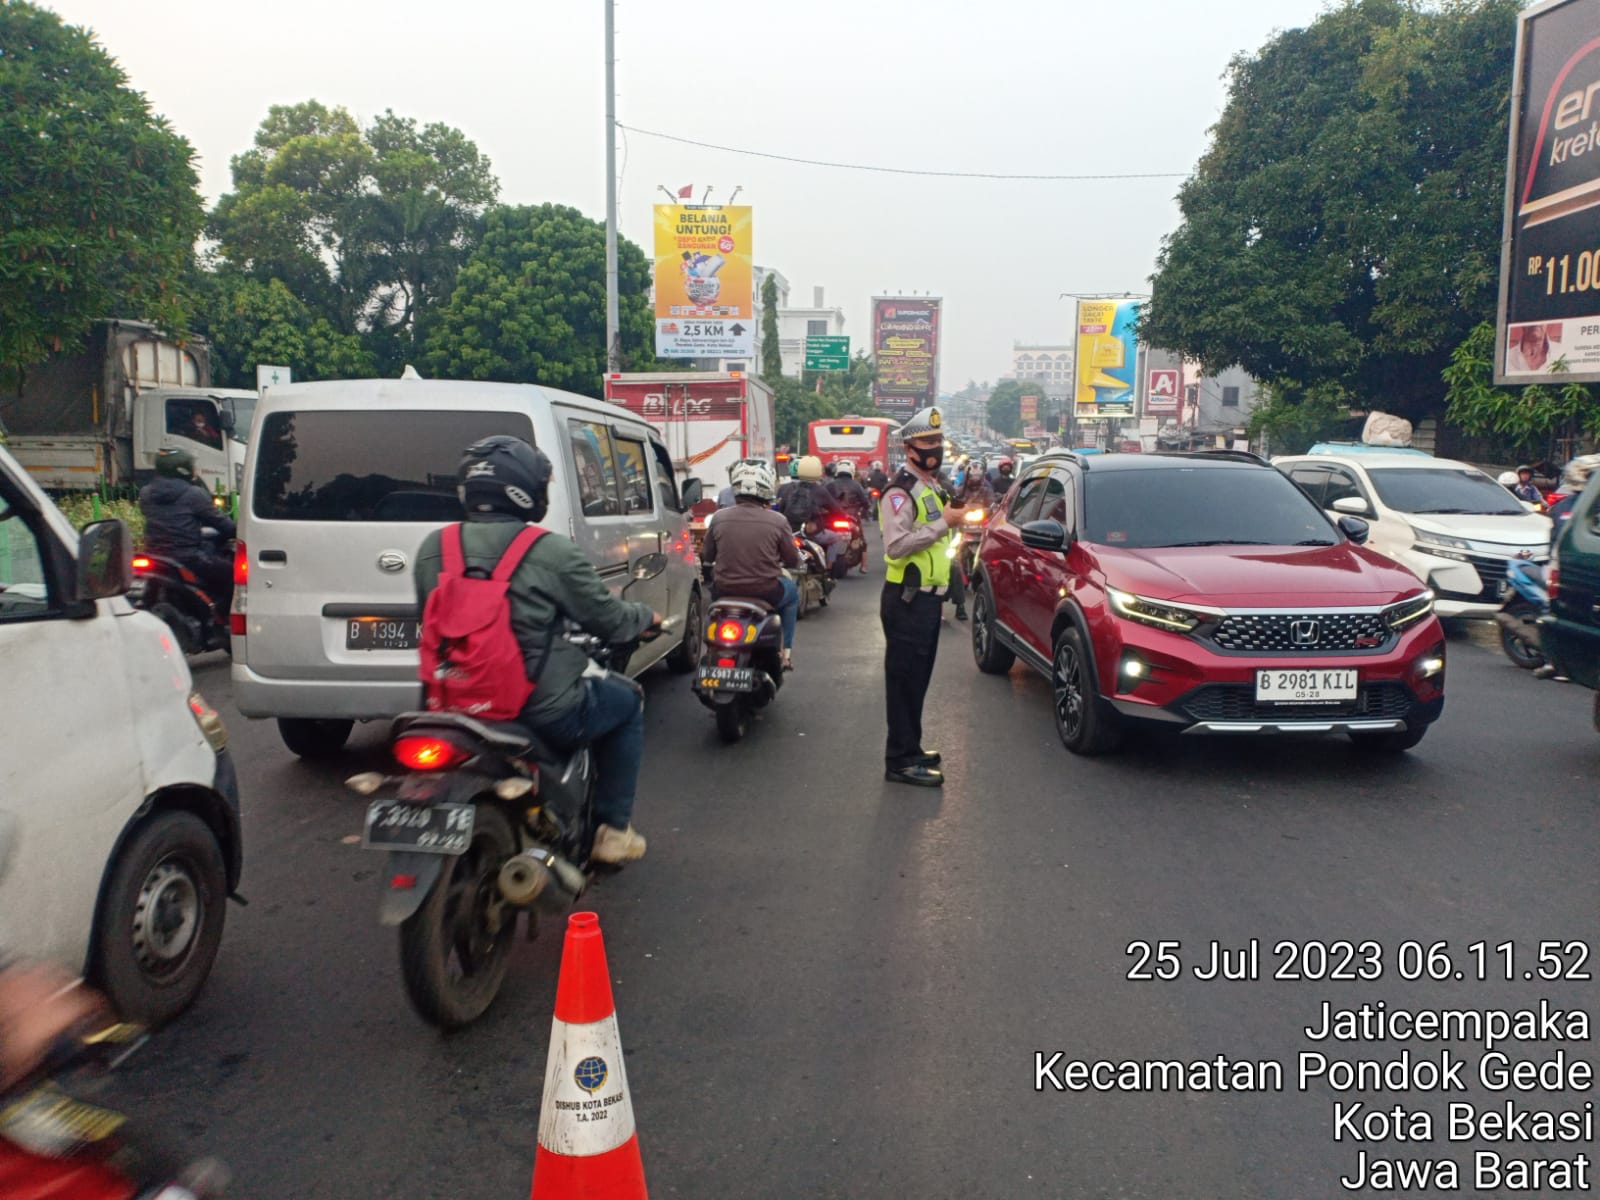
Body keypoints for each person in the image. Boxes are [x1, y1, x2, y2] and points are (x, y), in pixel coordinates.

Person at [414, 436, 661, 864]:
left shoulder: (433, 549)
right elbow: (609, 620)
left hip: (448, 703)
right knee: (627, 703)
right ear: (528, 491)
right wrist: (644, 617)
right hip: (540, 707)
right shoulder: (550, 551)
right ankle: (612, 831)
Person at [878, 407, 966, 787]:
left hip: (928, 601)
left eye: (937, 441)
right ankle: (899, 760)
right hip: (907, 600)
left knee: (917, 681)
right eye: (926, 442)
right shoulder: (900, 492)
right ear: (908, 448)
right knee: (903, 684)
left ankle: (911, 747)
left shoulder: (930, 485)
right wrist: (943, 524)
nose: (934, 448)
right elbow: (897, 546)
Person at [700, 460, 801, 670]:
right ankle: (785, 653)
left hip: (724, 589)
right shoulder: (778, 520)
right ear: (766, 486)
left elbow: (707, 555)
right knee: (792, 595)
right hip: (766, 590)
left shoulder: (719, 517)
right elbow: (792, 559)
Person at [139, 448, 236, 618]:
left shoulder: (146, 494)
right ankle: (219, 616)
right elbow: (225, 526)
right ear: (183, 469)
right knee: (232, 574)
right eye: (192, 466)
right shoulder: (193, 494)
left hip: (156, 557)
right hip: (187, 558)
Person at [776, 455, 846, 569]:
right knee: (835, 538)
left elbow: (780, 510)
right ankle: (828, 569)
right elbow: (836, 509)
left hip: (790, 532)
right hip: (812, 533)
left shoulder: (788, 488)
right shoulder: (820, 490)